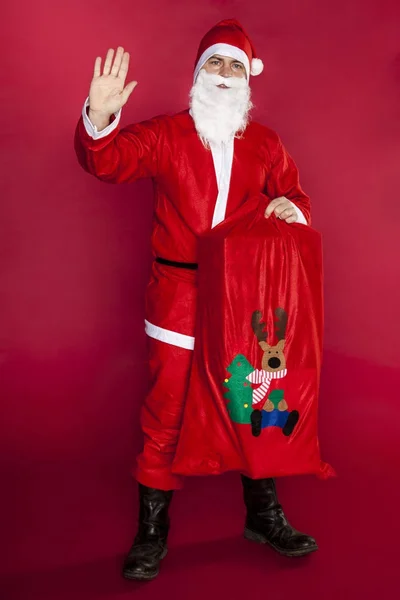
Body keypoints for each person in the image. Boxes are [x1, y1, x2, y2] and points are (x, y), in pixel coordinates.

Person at [74, 19, 317, 582]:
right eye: (216, 63)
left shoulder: (266, 143)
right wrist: (100, 117)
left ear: (249, 81)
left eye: (236, 65)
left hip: (245, 300)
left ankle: (264, 516)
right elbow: (106, 162)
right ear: (198, 75)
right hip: (179, 297)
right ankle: (151, 533)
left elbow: (296, 195)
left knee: (253, 406)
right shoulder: (164, 135)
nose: (226, 74)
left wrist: (291, 211)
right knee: (168, 411)